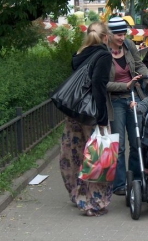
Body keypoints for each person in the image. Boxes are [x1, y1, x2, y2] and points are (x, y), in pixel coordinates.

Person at [59, 22, 113, 217]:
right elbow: (98, 86)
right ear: (106, 37)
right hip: (91, 114)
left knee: (74, 154)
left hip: (74, 111)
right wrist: (103, 118)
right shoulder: (104, 55)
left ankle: (77, 195)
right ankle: (93, 202)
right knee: (96, 156)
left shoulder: (79, 53)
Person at [106, 16, 148, 195]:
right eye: (118, 34)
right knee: (119, 145)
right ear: (109, 34)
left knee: (136, 140)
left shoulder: (129, 45)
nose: (121, 37)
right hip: (115, 100)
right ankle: (119, 184)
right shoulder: (103, 51)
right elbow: (102, 83)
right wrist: (124, 85)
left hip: (134, 97)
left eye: (124, 33)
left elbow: (139, 65)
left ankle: (137, 179)